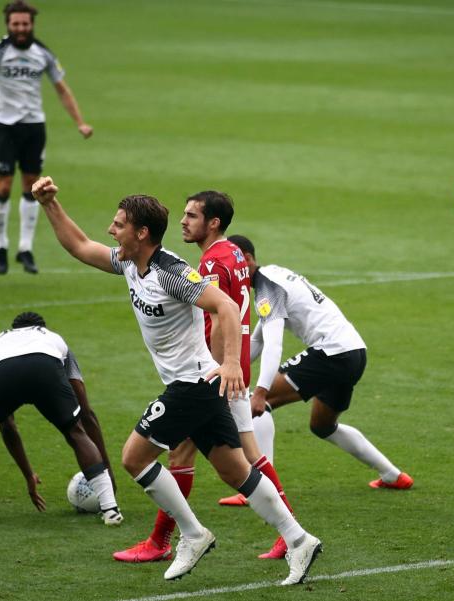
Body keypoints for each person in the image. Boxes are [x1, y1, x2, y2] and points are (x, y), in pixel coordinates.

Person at [31, 176, 322, 586]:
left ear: (141, 232)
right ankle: (299, 539)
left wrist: (231, 365)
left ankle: (193, 534)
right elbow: (80, 247)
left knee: (134, 456)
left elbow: (222, 305)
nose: (110, 231)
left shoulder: (171, 272)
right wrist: (49, 204)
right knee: (235, 470)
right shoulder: (129, 261)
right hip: (195, 384)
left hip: (193, 384)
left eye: (118, 225)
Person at [113, 191, 296, 564]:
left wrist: (214, 373)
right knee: (225, 456)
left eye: (192, 216)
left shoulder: (211, 263)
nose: (184, 221)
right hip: (228, 368)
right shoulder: (235, 254)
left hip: (215, 373)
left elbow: (218, 318)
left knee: (237, 457)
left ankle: (284, 534)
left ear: (213, 222)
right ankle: (289, 535)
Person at [228, 235, 414, 492]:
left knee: (262, 402)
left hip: (332, 352)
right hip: (354, 352)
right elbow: (258, 339)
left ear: (247, 260)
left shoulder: (267, 289)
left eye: (230, 265)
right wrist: (229, 370)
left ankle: (263, 491)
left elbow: (273, 345)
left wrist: (260, 391)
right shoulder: (273, 275)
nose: (227, 272)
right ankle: (393, 475)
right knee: (322, 426)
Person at [0, 0, 93, 276]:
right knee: (3, 186)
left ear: (32, 25)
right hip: (4, 125)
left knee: (32, 186)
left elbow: (62, 90)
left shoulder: (44, 54)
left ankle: (25, 249)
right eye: (16, 23)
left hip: (33, 126)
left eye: (25, 24)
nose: (20, 28)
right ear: (8, 24)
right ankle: (1, 246)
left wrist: (80, 122)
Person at [0, 311, 121, 526]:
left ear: (14, 328)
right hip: (45, 367)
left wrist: (28, 476)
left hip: (3, 369)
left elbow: (7, 425)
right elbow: (86, 412)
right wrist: (108, 474)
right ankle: (111, 510)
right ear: (41, 327)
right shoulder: (52, 338)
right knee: (74, 432)